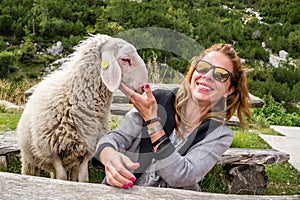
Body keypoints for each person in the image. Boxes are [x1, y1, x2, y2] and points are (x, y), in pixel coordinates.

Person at [92, 43, 251, 191]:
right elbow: (114, 138)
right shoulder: (157, 100)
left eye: (220, 74)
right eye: (203, 67)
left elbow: (182, 176)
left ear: (229, 90)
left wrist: (152, 121)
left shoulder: (220, 134)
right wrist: (109, 156)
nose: (208, 76)